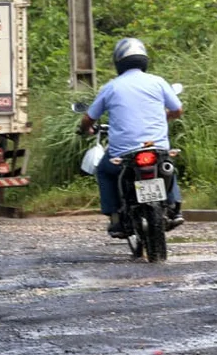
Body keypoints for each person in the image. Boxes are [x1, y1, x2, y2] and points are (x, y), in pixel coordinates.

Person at [78, 38, 185, 237]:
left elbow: (89, 117)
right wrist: (166, 117)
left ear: (118, 63)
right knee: (167, 165)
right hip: (156, 147)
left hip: (123, 152)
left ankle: (116, 219)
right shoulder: (158, 82)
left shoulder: (111, 87)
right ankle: (175, 207)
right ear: (144, 59)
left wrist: (85, 129)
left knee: (104, 171)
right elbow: (178, 110)